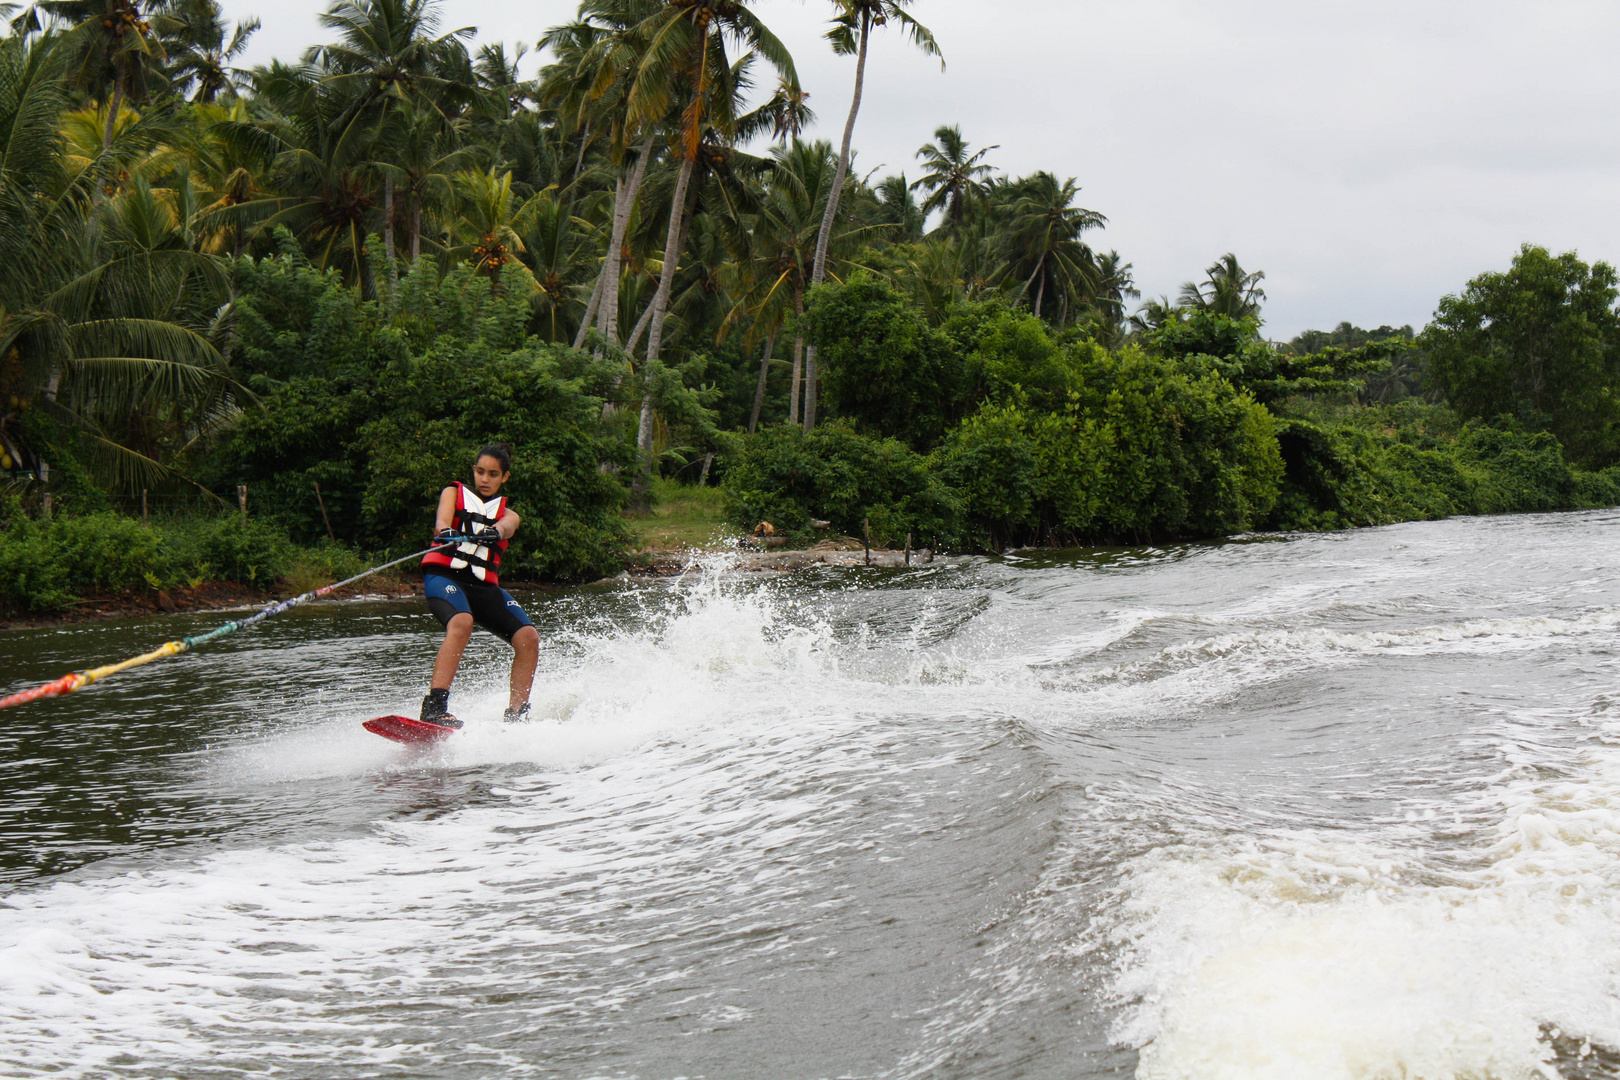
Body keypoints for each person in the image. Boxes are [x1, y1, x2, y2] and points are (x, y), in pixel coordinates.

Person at [418, 444, 539, 727]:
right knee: (461, 622)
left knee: (528, 637)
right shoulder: (453, 493)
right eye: (481, 472)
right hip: (444, 577)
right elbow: (441, 522)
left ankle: (517, 717)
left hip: (482, 586)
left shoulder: (508, 514)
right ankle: (435, 708)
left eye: (493, 474)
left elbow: (507, 526)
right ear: (474, 471)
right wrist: (446, 531)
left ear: (504, 478)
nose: (485, 479)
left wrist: (494, 532)